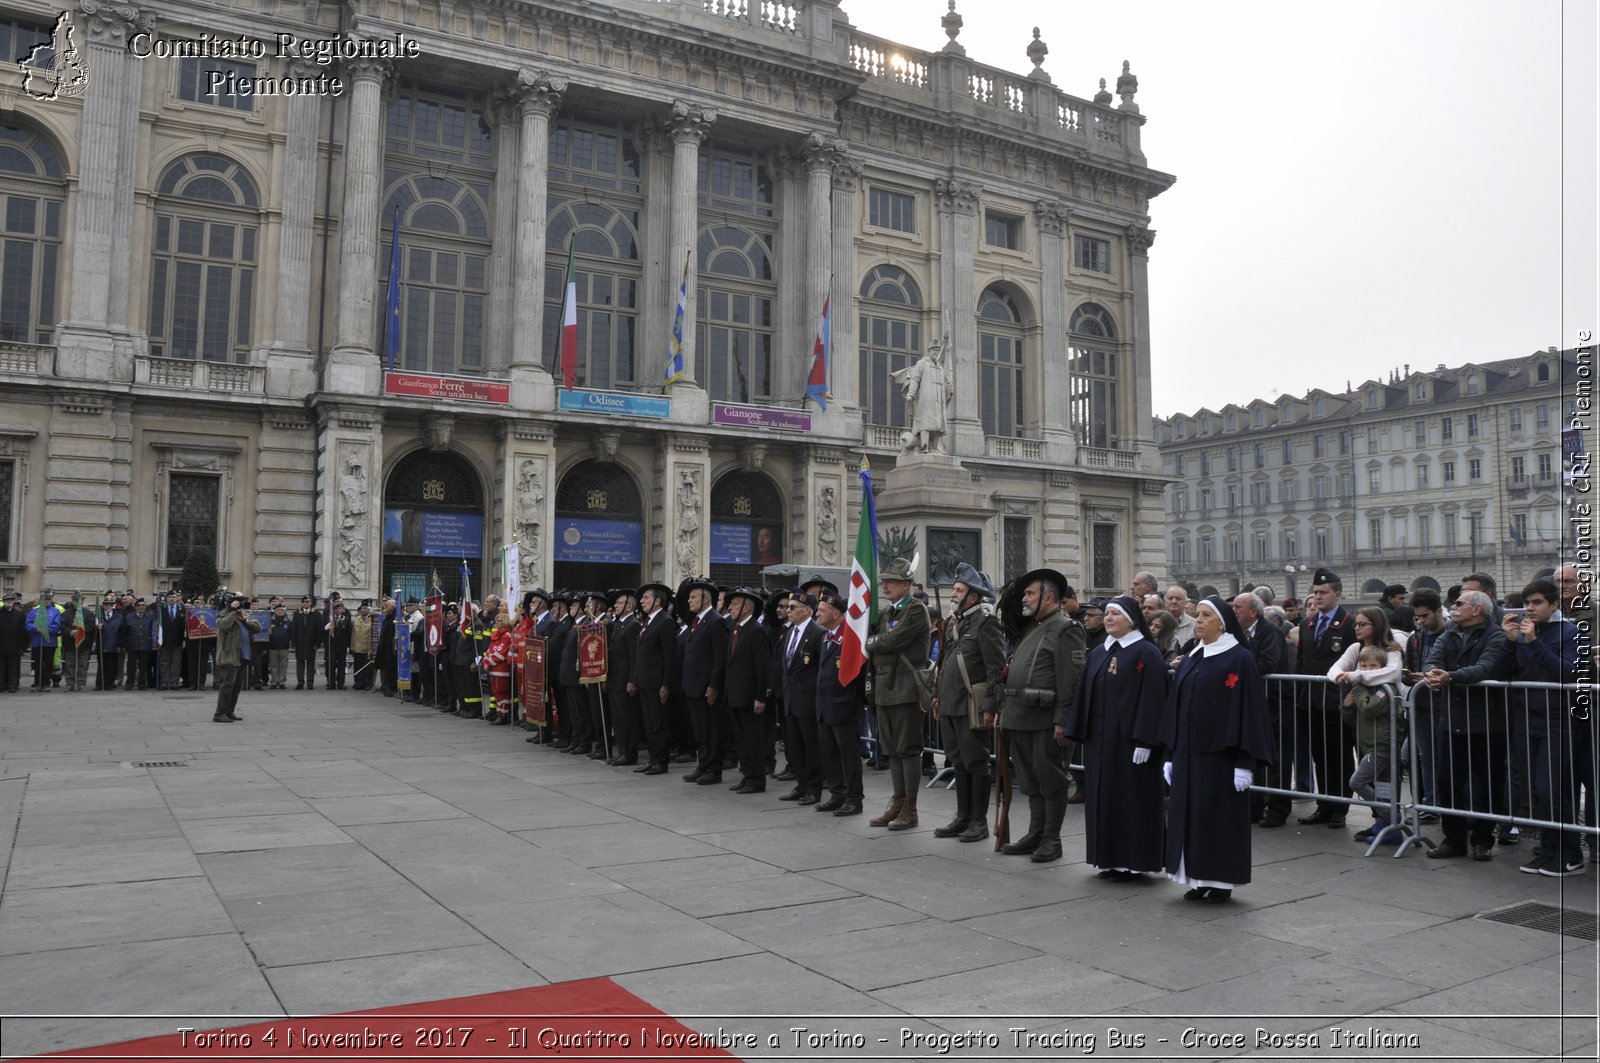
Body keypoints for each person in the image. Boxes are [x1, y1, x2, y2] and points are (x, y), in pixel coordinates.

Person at [1158, 595, 1272, 903]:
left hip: (1221, 757)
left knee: (1217, 819)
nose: (1198, 620)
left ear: (1221, 624)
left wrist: (1244, 762)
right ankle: (1196, 877)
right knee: (1191, 817)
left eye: (1206, 616)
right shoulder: (1194, 656)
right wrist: (1169, 754)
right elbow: (1176, 707)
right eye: (1197, 615)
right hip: (1188, 755)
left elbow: (1249, 713)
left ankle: (1220, 880)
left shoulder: (1239, 659)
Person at [1067, 595, 1169, 880]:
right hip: (1102, 743)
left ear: (1132, 620)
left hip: (1131, 744)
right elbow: (1084, 692)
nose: (1109, 618)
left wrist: (1147, 741)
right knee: (1104, 799)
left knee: (1131, 801)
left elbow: (1154, 700)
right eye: (1107, 614)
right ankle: (1109, 859)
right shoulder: (1100, 651)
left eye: (1115, 614)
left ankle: (1134, 862)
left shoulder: (1145, 653)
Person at [997, 568, 1086, 863]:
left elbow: (1070, 680)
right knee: (1030, 781)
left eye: (1030, 593)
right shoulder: (1033, 627)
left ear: (1049, 597)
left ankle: (1051, 839)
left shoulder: (1065, 629)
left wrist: (1063, 719)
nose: (1025, 597)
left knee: (1051, 780)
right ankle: (1035, 834)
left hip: (1046, 719)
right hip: (1020, 716)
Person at [1423, 590, 1513, 861]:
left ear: (1477, 609)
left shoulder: (1495, 636)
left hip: (1488, 723)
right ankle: (1453, 840)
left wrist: (1450, 677)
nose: (1454, 606)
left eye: (1459, 603)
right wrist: (1433, 673)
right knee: (1448, 782)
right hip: (1452, 721)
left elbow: (1485, 668)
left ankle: (1483, 840)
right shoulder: (1449, 633)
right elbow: (1432, 661)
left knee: (1489, 784)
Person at [1506, 579, 1584, 876]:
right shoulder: (1526, 633)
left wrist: (1534, 643)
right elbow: (1509, 671)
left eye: (1537, 602)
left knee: (1552, 789)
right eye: (1527, 602)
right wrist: (1510, 642)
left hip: (1558, 720)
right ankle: (1548, 850)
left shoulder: (1571, 633)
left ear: (1553, 605)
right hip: (1528, 719)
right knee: (1538, 793)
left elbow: (1566, 672)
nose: (1529, 608)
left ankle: (1570, 853)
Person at [930, 563, 1005, 843]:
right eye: (955, 588)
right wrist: (937, 695)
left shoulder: (986, 624)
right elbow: (944, 662)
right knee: (959, 762)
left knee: (976, 763)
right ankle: (962, 817)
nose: (954, 593)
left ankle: (978, 821)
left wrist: (990, 706)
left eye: (959, 590)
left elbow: (995, 669)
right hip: (950, 704)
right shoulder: (954, 623)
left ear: (973, 596)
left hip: (972, 706)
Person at [865, 557, 932, 830]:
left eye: (891, 582)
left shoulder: (915, 611)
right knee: (892, 749)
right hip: (885, 686)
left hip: (905, 687)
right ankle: (897, 802)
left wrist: (875, 643)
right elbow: (876, 643)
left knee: (908, 749)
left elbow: (892, 640)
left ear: (906, 585)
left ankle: (911, 809)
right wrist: (876, 643)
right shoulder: (887, 613)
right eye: (884, 582)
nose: (885, 586)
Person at [1295, 568, 1358, 829]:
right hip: (1312, 701)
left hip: (1337, 701)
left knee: (1339, 756)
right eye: (1316, 593)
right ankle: (1324, 803)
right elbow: (1302, 663)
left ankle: (1340, 807)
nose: (1318, 597)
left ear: (1337, 594)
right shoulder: (1307, 623)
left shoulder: (1350, 624)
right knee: (1320, 756)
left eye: (1323, 592)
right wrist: (1300, 696)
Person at [1342, 647, 1405, 844]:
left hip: (1382, 745)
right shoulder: (1365, 689)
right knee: (1383, 789)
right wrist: (1346, 706)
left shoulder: (1385, 687)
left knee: (1357, 782)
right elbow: (1352, 718)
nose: (1367, 671)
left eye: (1373, 666)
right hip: (1369, 743)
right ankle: (1391, 831)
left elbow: (1371, 708)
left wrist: (1358, 688)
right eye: (1363, 667)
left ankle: (1391, 817)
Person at [813, 590, 867, 816]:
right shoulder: (826, 636)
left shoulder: (849, 638)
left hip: (844, 706)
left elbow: (857, 676)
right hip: (825, 706)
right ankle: (837, 794)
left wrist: (850, 702)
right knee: (830, 753)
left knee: (848, 756)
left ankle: (854, 799)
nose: (817, 614)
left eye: (822, 611)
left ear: (836, 613)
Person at [680, 578, 731, 786]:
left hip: (706, 687)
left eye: (693, 597)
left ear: (705, 599)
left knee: (710, 730)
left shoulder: (716, 621)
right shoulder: (697, 620)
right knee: (700, 730)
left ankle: (713, 769)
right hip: (693, 685)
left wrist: (713, 684)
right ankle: (703, 764)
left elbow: (720, 657)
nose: (689, 601)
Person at [722, 587, 771, 793]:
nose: (730, 607)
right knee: (741, 738)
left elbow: (762, 667)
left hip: (749, 696)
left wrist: (760, 697)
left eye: (734, 604)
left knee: (752, 738)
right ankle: (747, 774)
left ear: (746, 607)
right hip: (735, 694)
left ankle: (757, 779)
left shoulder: (755, 630)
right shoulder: (737, 628)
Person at [778, 592, 825, 804]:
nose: (788, 611)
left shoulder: (817, 633)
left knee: (811, 747)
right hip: (790, 699)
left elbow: (820, 669)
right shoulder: (789, 632)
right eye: (788, 607)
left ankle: (814, 789)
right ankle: (801, 784)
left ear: (807, 610)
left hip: (807, 700)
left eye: (792, 607)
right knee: (794, 747)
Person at [630, 582, 678, 775]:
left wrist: (666, 684)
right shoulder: (647, 621)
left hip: (657, 682)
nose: (642, 601)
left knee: (659, 723)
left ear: (657, 601)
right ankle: (652, 759)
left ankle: (661, 761)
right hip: (644, 681)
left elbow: (670, 656)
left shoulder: (665, 621)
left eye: (646, 597)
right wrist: (635, 679)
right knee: (649, 723)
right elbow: (640, 653)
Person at [603, 589, 642, 764]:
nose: (616, 606)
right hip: (613, 678)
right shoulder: (618, 624)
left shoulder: (633, 624)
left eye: (619, 603)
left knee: (627, 718)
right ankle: (621, 750)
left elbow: (635, 655)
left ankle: (629, 753)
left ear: (630, 606)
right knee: (617, 718)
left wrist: (632, 680)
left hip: (624, 679)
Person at [213, 594, 262, 722]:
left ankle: (230, 711)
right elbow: (223, 625)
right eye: (238, 603)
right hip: (229, 655)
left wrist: (245, 619)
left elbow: (258, 628)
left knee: (237, 686)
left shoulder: (244, 614)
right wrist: (232, 613)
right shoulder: (223, 613)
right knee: (227, 685)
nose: (240, 605)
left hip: (243, 655)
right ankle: (219, 713)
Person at [480, 612, 514, 724]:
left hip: (501, 670)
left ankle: (503, 715)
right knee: (496, 692)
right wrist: (486, 661)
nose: (496, 623)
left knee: (501, 693)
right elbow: (491, 650)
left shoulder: (506, 636)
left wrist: (487, 663)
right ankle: (499, 713)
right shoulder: (497, 635)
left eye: (499, 620)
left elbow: (500, 654)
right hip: (494, 670)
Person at [59, 592, 97, 693]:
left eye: (80, 601)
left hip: (84, 644)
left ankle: (81, 684)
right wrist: (70, 631)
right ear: (73, 601)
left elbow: (91, 626)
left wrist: (81, 631)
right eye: (76, 601)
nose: (78, 603)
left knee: (82, 666)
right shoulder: (66, 614)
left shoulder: (89, 614)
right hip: (70, 644)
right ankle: (70, 684)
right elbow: (62, 626)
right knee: (70, 665)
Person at [25, 590, 62, 692]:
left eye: (48, 599)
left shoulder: (55, 612)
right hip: (37, 642)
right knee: (37, 664)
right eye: (44, 599)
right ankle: (37, 682)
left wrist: (46, 630)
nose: (46, 601)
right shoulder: (34, 611)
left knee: (48, 663)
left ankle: (46, 683)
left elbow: (57, 625)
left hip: (50, 642)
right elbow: (28, 624)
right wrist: (36, 628)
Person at [290, 596, 324, 691]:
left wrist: (318, 643)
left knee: (310, 663)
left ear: (311, 603)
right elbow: (294, 629)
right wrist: (293, 643)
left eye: (307, 601)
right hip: (300, 642)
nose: (305, 603)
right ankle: (300, 682)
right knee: (300, 663)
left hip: (311, 642)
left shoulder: (316, 614)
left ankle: (310, 682)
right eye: (304, 601)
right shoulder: (297, 614)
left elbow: (319, 629)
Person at [121, 597, 154, 691]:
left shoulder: (149, 617)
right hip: (132, 645)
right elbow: (124, 632)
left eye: (143, 605)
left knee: (143, 666)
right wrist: (124, 644)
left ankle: (142, 684)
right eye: (139, 605)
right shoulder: (129, 617)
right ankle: (130, 683)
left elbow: (152, 631)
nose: (141, 607)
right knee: (131, 666)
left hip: (145, 645)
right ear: (135, 607)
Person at [156, 590, 186, 690]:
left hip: (177, 640)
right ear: (167, 599)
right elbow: (159, 625)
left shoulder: (182, 609)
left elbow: (184, 625)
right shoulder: (162, 609)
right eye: (170, 597)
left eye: (173, 597)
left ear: (177, 598)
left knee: (176, 662)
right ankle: (164, 682)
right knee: (164, 662)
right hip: (165, 640)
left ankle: (174, 682)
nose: (172, 599)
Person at [96, 593, 123, 691]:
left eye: (110, 604)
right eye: (106, 604)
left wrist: (120, 644)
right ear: (103, 605)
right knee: (101, 665)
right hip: (102, 644)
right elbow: (93, 632)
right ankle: (100, 683)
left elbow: (121, 631)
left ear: (113, 605)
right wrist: (97, 628)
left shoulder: (119, 617)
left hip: (113, 644)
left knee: (112, 665)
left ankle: (110, 683)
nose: (108, 606)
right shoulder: (99, 616)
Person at [0, 591, 26, 693]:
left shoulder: (19, 614)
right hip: (1, 645)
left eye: (11, 600)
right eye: (7, 600)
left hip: (14, 644)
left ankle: (12, 685)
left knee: (13, 667)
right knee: (1, 667)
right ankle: (1, 685)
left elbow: (23, 631)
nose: (9, 601)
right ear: (4, 601)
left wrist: (23, 645)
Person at [324, 594, 352, 690]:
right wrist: (326, 628)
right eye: (338, 609)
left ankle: (341, 683)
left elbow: (349, 633)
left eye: (341, 609)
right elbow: (324, 632)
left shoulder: (346, 620)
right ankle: (331, 682)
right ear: (335, 610)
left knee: (341, 665)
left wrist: (348, 645)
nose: (340, 610)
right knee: (331, 665)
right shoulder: (330, 619)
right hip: (332, 645)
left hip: (342, 645)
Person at [267, 602, 292, 689]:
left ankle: (282, 682)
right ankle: (274, 681)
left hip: (284, 647)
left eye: (282, 610)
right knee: (273, 665)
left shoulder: (288, 622)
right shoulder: (270, 621)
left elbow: (291, 634)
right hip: (273, 646)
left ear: (285, 611)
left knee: (283, 665)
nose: (280, 611)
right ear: (275, 611)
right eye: (278, 610)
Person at [350, 600, 375, 690]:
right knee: (358, 666)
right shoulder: (357, 619)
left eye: (365, 608)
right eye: (362, 608)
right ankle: (359, 682)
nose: (363, 610)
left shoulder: (373, 619)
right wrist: (352, 647)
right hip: (357, 647)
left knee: (368, 667)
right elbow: (353, 634)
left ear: (369, 609)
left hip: (367, 648)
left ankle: (368, 683)